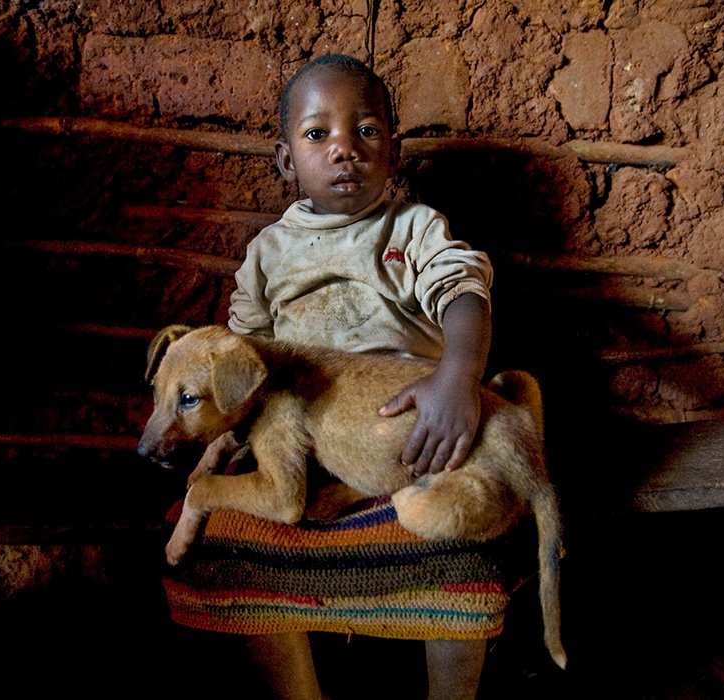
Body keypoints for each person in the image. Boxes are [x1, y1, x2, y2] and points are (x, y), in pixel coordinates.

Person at [192, 53, 496, 700]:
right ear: (285, 160)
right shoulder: (269, 253)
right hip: (300, 437)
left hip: (407, 435)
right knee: (242, 545)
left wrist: (458, 380)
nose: (344, 150)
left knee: (459, 549)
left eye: (366, 131)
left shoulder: (412, 230)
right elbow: (245, 353)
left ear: (394, 150)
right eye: (317, 134)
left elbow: (464, 290)